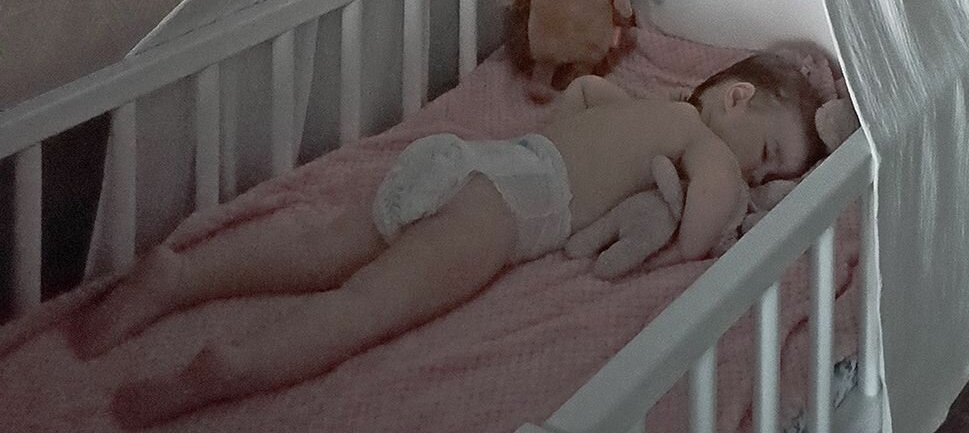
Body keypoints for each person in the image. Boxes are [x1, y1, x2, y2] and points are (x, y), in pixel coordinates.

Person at [71, 50, 822, 427]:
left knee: (317, 248)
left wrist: (569, 139)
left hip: (468, 159)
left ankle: (177, 275)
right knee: (364, 305)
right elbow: (704, 221)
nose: (756, 174)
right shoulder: (701, 141)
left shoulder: (635, 103)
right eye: (766, 155)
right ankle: (227, 370)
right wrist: (715, 226)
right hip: (501, 210)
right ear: (736, 97)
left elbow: (583, 91)